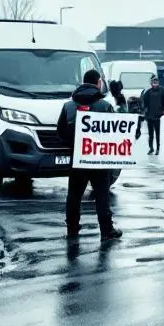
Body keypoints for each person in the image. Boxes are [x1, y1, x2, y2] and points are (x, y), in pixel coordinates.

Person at [56, 70, 123, 241]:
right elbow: (114, 132)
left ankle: (72, 228)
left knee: (74, 194)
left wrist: (73, 146)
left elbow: (61, 132)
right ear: (98, 82)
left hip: (78, 158)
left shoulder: (69, 106)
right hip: (98, 158)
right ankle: (106, 230)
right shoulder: (104, 106)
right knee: (102, 195)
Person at [140, 76, 164, 154]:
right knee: (150, 134)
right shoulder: (148, 92)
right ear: (151, 83)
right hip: (150, 116)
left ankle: (158, 148)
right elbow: (144, 102)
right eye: (153, 82)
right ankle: (151, 148)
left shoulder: (163, 91)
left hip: (159, 116)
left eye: (156, 81)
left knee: (158, 134)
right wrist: (144, 111)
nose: (155, 83)